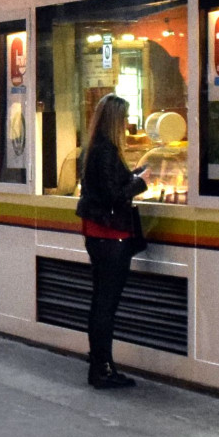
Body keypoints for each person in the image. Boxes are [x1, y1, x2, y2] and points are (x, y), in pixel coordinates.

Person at [76, 93, 149, 390]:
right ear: (115, 121)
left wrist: (132, 175)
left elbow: (109, 185)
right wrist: (142, 182)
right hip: (110, 234)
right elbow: (113, 195)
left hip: (98, 233)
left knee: (100, 300)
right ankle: (102, 368)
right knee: (107, 302)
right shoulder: (106, 150)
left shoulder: (96, 149)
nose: (129, 124)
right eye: (126, 118)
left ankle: (99, 363)